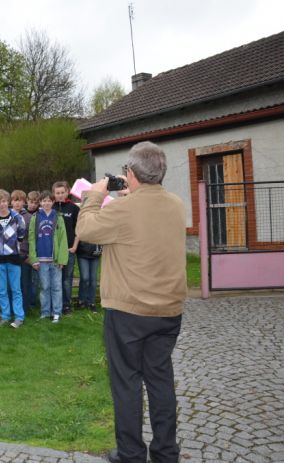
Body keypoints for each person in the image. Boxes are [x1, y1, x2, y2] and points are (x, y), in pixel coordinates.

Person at [76, 141, 186, 463]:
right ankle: (166, 453)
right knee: (160, 380)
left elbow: (86, 228)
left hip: (129, 312)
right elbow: (145, 221)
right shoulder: (176, 204)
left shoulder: (122, 210)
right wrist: (130, 197)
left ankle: (131, 454)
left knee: (126, 383)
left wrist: (95, 194)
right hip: (168, 311)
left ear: (130, 173)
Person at [0, 189, 26, 329]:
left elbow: (21, 234)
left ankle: (19, 317)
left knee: (16, 289)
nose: (2, 204)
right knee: (1, 290)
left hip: (14, 257)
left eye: (4, 201)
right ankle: (5, 316)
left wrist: (13, 246)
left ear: (7, 202)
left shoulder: (17, 218)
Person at [28, 190, 68, 323]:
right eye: (44, 200)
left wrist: (62, 259)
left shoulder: (58, 217)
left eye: (49, 201)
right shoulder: (35, 217)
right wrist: (33, 259)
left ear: (53, 202)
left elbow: (63, 239)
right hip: (41, 259)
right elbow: (31, 238)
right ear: (40, 202)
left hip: (55, 259)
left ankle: (56, 312)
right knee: (44, 287)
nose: (46, 203)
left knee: (56, 286)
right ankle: (45, 312)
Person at [52, 181, 80, 315]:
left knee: (66, 279)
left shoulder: (74, 208)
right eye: (57, 193)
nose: (60, 195)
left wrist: (74, 247)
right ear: (54, 194)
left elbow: (79, 229)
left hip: (69, 250)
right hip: (54, 252)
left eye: (62, 192)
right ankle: (56, 304)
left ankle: (67, 305)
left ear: (67, 192)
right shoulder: (50, 207)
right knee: (55, 279)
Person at [11, 190, 34, 314]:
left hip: (24, 256)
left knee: (25, 283)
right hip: (10, 256)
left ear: (24, 202)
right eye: (15, 200)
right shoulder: (7, 216)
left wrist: (30, 255)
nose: (17, 203)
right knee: (13, 285)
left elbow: (31, 238)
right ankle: (14, 308)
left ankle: (24, 309)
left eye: (20, 200)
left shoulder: (29, 217)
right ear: (11, 202)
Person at [76, 240, 101, 313]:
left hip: (95, 253)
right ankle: (81, 301)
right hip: (83, 252)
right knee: (85, 277)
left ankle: (91, 303)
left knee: (93, 279)